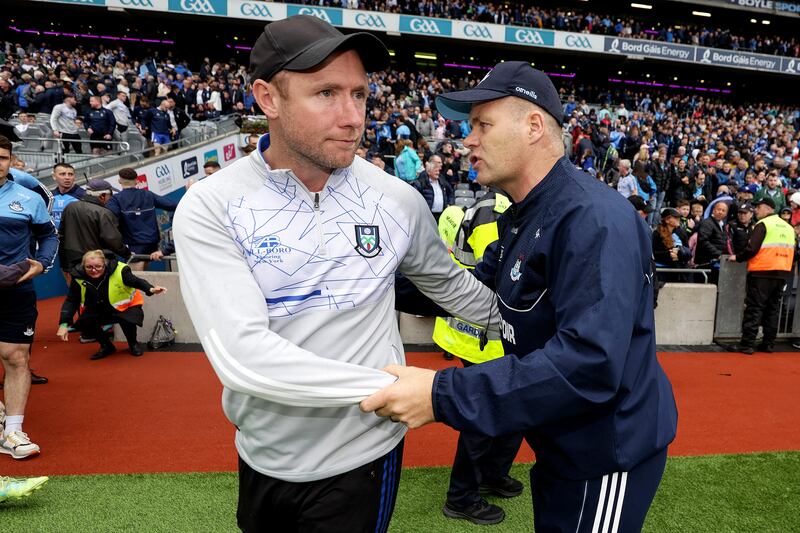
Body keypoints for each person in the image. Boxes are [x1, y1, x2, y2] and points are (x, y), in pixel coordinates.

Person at [172, 15, 497, 533]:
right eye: (326, 93)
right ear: (268, 98)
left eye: (360, 95)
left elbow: (449, 285)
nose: (352, 117)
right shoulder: (212, 206)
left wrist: (522, 322)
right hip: (262, 454)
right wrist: (405, 389)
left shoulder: (396, 199)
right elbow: (244, 359)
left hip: (363, 454)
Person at [361, 61, 678, 532]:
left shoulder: (593, 218)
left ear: (533, 126)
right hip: (560, 441)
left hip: (607, 453)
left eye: (482, 125)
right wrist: (361, 278)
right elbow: (460, 288)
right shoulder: (524, 215)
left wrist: (439, 395)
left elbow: (589, 363)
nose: (467, 140)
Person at [433, 190, 524, 525]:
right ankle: (461, 497)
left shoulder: (498, 206)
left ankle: (491, 475)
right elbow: (503, 273)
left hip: (486, 332)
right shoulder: (494, 210)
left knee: (513, 412)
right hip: (486, 335)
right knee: (484, 418)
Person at [0, 134, 58, 460]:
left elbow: (48, 235)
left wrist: (42, 264)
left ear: (11, 162)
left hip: (16, 289)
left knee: (17, 357)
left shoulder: (27, 197)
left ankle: (13, 431)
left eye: (2, 157)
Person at [57, 249, 166, 359]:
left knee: (128, 319)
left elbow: (135, 281)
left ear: (104, 264)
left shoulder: (120, 270)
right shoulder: (77, 276)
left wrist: (150, 289)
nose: (94, 270)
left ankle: (133, 343)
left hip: (126, 305)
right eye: (89, 267)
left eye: (98, 266)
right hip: (99, 307)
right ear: (83, 266)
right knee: (85, 321)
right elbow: (71, 300)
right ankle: (106, 346)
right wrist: (64, 324)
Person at [728, 198, 795, 354]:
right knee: (772, 309)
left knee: (754, 308)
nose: (756, 210)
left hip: (762, 272)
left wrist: (737, 257)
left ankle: (747, 344)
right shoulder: (788, 227)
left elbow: (752, 248)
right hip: (782, 273)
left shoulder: (763, 224)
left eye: (758, 207)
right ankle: (768, 344)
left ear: (768, 209)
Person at [106, 168, 178, 271]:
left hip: (133, 245)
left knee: (135, 279)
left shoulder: (116, 199)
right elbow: (172, 205)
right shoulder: (148, 195)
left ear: (119, 181)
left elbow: (109, 217)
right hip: (152, 243)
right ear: (136, 180)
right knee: (144, 273)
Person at [58, 178, 131, 274]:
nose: (111, 198)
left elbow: (61, 233)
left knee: (76, 288)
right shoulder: (104, 213)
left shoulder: (70, 207)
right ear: (102, 196)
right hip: (95, 261)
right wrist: (127, 253)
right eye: (110, 195)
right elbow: (113, 240)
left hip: (71, 260)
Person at [412, 155, 454, 223]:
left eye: (438, 171)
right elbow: (415, 198)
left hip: (442, 215)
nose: (438, 173)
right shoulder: (421, 182)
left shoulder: (442, 180)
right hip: (427, 216)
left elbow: (451, 192)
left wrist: (450, 204)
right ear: (429, 172)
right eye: (435, 171)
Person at [695, 202, 729, 270]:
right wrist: (718, 254)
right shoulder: (707, 223)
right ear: (713, 210)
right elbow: (703, 241)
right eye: (719, 209)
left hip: (718, 262)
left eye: (723, 210)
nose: (720, 212)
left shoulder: (723, 225)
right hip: (707, 262)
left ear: (726, 214)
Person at [50, 162, 84, 230]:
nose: (67, 177)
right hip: (54, 238)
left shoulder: (84, 196)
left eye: (70, 174)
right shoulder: (49, 196)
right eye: (62, 174)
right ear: (54, 176)